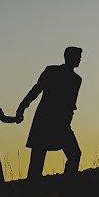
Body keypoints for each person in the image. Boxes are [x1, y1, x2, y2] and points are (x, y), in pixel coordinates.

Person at [16, 47, 83, 178]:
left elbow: (71, 103)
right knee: (38, 157)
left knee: (75, 154)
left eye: (80, 57)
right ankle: (31, 189)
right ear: (69, 57)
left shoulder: (77, 79)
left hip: (62, 122)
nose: (80, 60)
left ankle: (68, 185)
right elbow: (36, 89)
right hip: (44, 119)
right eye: (78, 56)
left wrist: (68, 118)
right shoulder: (51, 71)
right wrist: (22, 107)